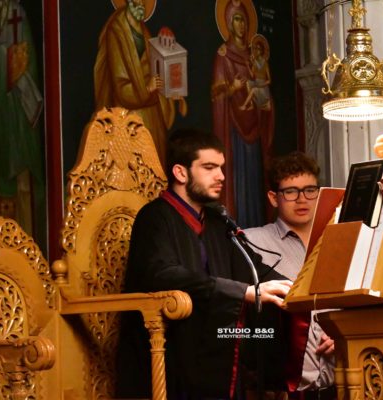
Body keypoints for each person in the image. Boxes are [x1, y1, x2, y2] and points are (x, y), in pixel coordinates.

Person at [115, 129, 295, 399]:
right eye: (209, 168)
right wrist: (242, 292)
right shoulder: (153, 217)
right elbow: (162, 274)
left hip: (213, 342)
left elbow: (255, 269)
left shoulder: (217, 221)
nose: (221, 176)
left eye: (221, 167)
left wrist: (298, 288)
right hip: (169, 349)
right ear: (181, 172)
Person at [245, 152, 337, 400]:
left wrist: (345, 333)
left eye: (310, 190)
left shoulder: (338, 240)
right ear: (273, 198)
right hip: (283, 389)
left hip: (344, 382)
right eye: (291, 192)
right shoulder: (251, 241)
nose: (302, 199)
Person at [94, 0, 187, 167]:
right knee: (134, 169)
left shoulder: (143, 30)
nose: (142, 2)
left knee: (155, 166)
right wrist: (147, 88)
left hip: (151, 115)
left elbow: (153, 67)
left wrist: (170, 89)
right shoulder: (117, 31)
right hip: (129, 117)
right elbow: (120, 84)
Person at [212, 0, 274, 228]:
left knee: (255, 179)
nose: (241, 25)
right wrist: (233, 88)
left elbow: (264, 85)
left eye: (244, 20)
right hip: (234, 133)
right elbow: (217, 93)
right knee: (238, 177)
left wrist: (266, 103)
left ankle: (257, 226)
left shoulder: (254, 55)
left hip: (254, 127)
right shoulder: (223, 55)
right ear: (229, 23)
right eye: (236, 19)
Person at [0, 0, 45, 236]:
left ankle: (26, 239)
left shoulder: (18, 13)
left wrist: (18, 64)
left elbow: (28, 58)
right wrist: (6, 60)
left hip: (17, 111)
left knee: (23, 179)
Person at [240, 34, 271, 111]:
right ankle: (251, 104)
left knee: (253, 90)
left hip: (263, 88)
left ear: (262, 50)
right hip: (256, 83)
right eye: (256, 49)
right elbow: (252, 76)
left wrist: (261, 85)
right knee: (248, 82)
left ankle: (244, 105)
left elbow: (269, 80)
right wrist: (248, 66)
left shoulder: (265, 63)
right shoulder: (254, 63)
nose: (257, 51)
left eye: (258, 49)